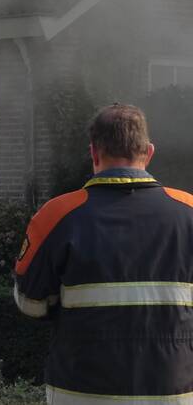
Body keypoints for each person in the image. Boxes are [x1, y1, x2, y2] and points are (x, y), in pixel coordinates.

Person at [14, 103, 193, 402]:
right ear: (148, 152)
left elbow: (31, 304)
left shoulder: (56, 215)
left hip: (80, 390)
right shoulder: (189, 211)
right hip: (174, 389)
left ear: (94, 153)